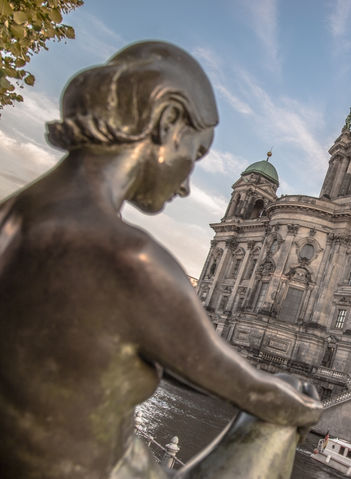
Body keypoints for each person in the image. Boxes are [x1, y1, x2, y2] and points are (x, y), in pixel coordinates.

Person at [0, 41, 322, 479]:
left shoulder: (10, 218)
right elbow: (254, 392)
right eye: (197, 153)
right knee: (284, 414)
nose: (188, 185)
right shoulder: (129, 259)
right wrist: (298, 396)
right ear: (169, 120)